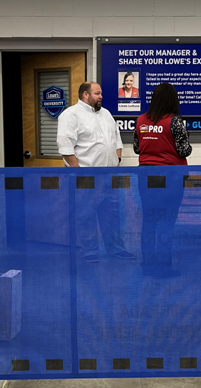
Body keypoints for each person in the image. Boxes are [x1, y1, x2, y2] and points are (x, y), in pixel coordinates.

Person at [57, 81, 134, 262]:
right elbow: (65, 147)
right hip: (86, 175)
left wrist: (118, 161)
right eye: (97, 93)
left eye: (101, 93)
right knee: (86, 214)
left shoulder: (106, 114)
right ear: (85, 94)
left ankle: (116, 249)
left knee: (113, 214)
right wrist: (78, 173)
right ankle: (89, 251)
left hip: (110, 175)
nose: (101, 96)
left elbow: (117, 140)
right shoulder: (70, 115)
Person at [133, 82, 192, 278]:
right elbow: (185, 150)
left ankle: (147, 265)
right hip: (171, 177)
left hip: (146, 176)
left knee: (149, 221)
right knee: (167, 222)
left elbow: (137, 149)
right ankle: (163, 267)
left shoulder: (140, 120)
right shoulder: (175, 121)